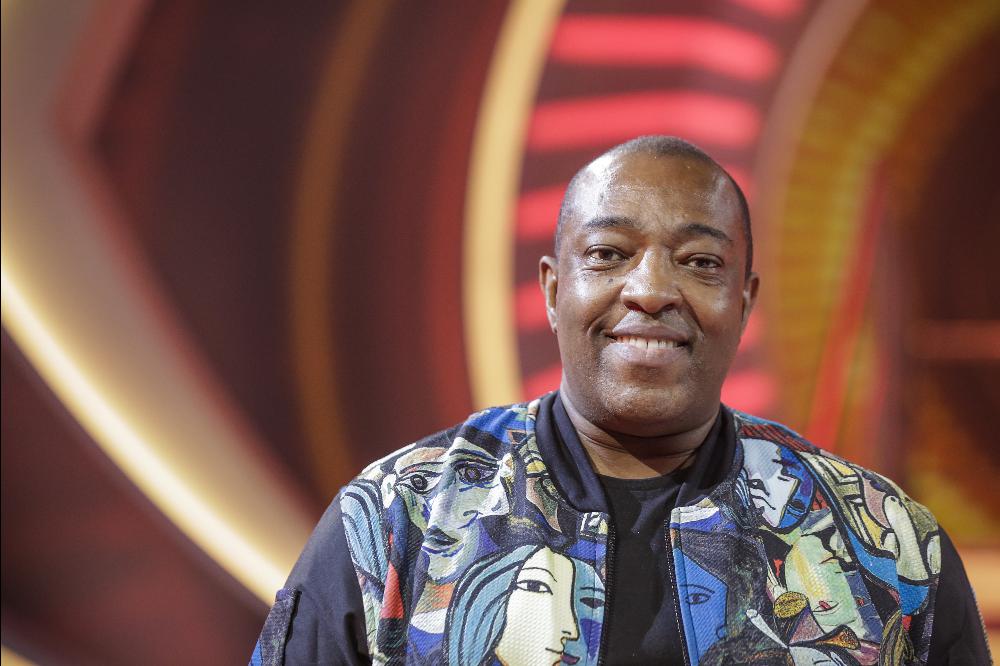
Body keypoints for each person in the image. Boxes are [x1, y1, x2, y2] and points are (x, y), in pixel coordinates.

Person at [251, 136, 989, 665]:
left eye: (700, 262)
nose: (652, 290)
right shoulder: (395, 523)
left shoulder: (887, 545)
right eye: (608, 254)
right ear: (552, 290)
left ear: (744, 301)